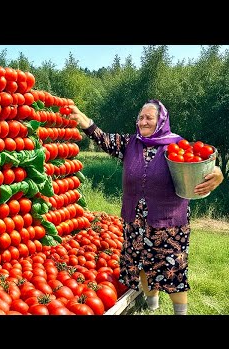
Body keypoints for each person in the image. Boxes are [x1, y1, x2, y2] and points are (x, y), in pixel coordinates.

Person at [68, 99, 224, 315]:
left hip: (168, 223)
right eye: (140, 117)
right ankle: (151, 307)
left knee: (172, 271)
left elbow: (201, 161)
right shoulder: (131, 143)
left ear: (161, 120)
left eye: (149, 117)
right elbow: (103, 139)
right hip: (135, 221)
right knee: (141, 264)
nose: (143, 121)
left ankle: (180, 312)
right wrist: (81, 118)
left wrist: (217, 173)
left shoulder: (176, 145)